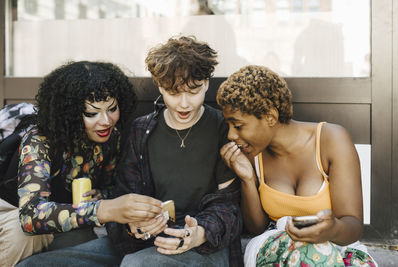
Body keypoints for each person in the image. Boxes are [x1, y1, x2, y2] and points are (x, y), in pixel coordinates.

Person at [217, 65, 377, 266]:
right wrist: (247, 179)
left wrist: (331, 229)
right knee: (312, 255)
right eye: (229, 125)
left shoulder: (331, 140)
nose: (231, 135)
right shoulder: (253, 153)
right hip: (279, 251)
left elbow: (353, 225)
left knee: (323, 255)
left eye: (238, 125)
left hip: (335, 248)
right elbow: (256, 228)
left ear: (270, 117)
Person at [105, 35, 243, 267]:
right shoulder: (142, 130)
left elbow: (229, 205)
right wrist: (134, 225)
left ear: (207, 82)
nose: (184, 104)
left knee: (136, 265)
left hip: (205, 243)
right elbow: (126, 194)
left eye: (193, 91)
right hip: (147, 241)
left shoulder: (222, 128)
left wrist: (199, 233)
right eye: (174, 93)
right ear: (159, 86)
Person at [1, 60, 153, 267]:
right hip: (12, 208)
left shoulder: (112, 137)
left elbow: (110, 187)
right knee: (26, 236)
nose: (106, 121)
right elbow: (30, 216)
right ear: (70, 114)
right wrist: (102, 209)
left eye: (112, 109)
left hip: (63, 215)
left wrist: (103, 195)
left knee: (86, 244)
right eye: (92, 113)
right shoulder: (40, 139)